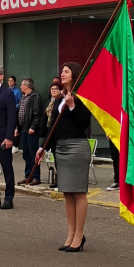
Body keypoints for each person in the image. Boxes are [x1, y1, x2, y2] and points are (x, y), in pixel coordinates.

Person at [36, 63, 92, 252]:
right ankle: (70, 233)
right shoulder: (60, 97)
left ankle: (79, 234)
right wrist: (43, 147)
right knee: (67, 191)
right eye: (62, 70)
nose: (62, 73)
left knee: (78, 191)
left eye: (67, 71)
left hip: (76, 147)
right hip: (61, 147)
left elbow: (84, 123)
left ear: (75, 74)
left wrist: (73, 106)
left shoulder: (81, 96)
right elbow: (54, 127)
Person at [0, 65, 19, 210]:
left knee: (7, 169)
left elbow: (11, 117)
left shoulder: (7, 93)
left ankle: (9, 198)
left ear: (1, 77)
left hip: (2, 138)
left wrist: (9, 138)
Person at [18, 78, 45, 185]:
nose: (20, 86)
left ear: (27, 86)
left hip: (31, 129)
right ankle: (28, 175)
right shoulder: (23, 97)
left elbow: (38, 114)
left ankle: (36, 176)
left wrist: (33, 127)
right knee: (26, 153)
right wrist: (17, 127)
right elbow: (19, 113)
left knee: (34, 154)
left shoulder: (35, 96)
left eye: (22, 85)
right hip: (23, 128)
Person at [43, 79, 62, 189]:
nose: (53, 91)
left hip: (57, 133)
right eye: (52, 89)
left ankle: (61, 180)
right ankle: (58, 179)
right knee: (55, 158)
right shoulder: (50, 101)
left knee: (59, 159)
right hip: (50, 130)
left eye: (56, 89)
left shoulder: (60, 101)